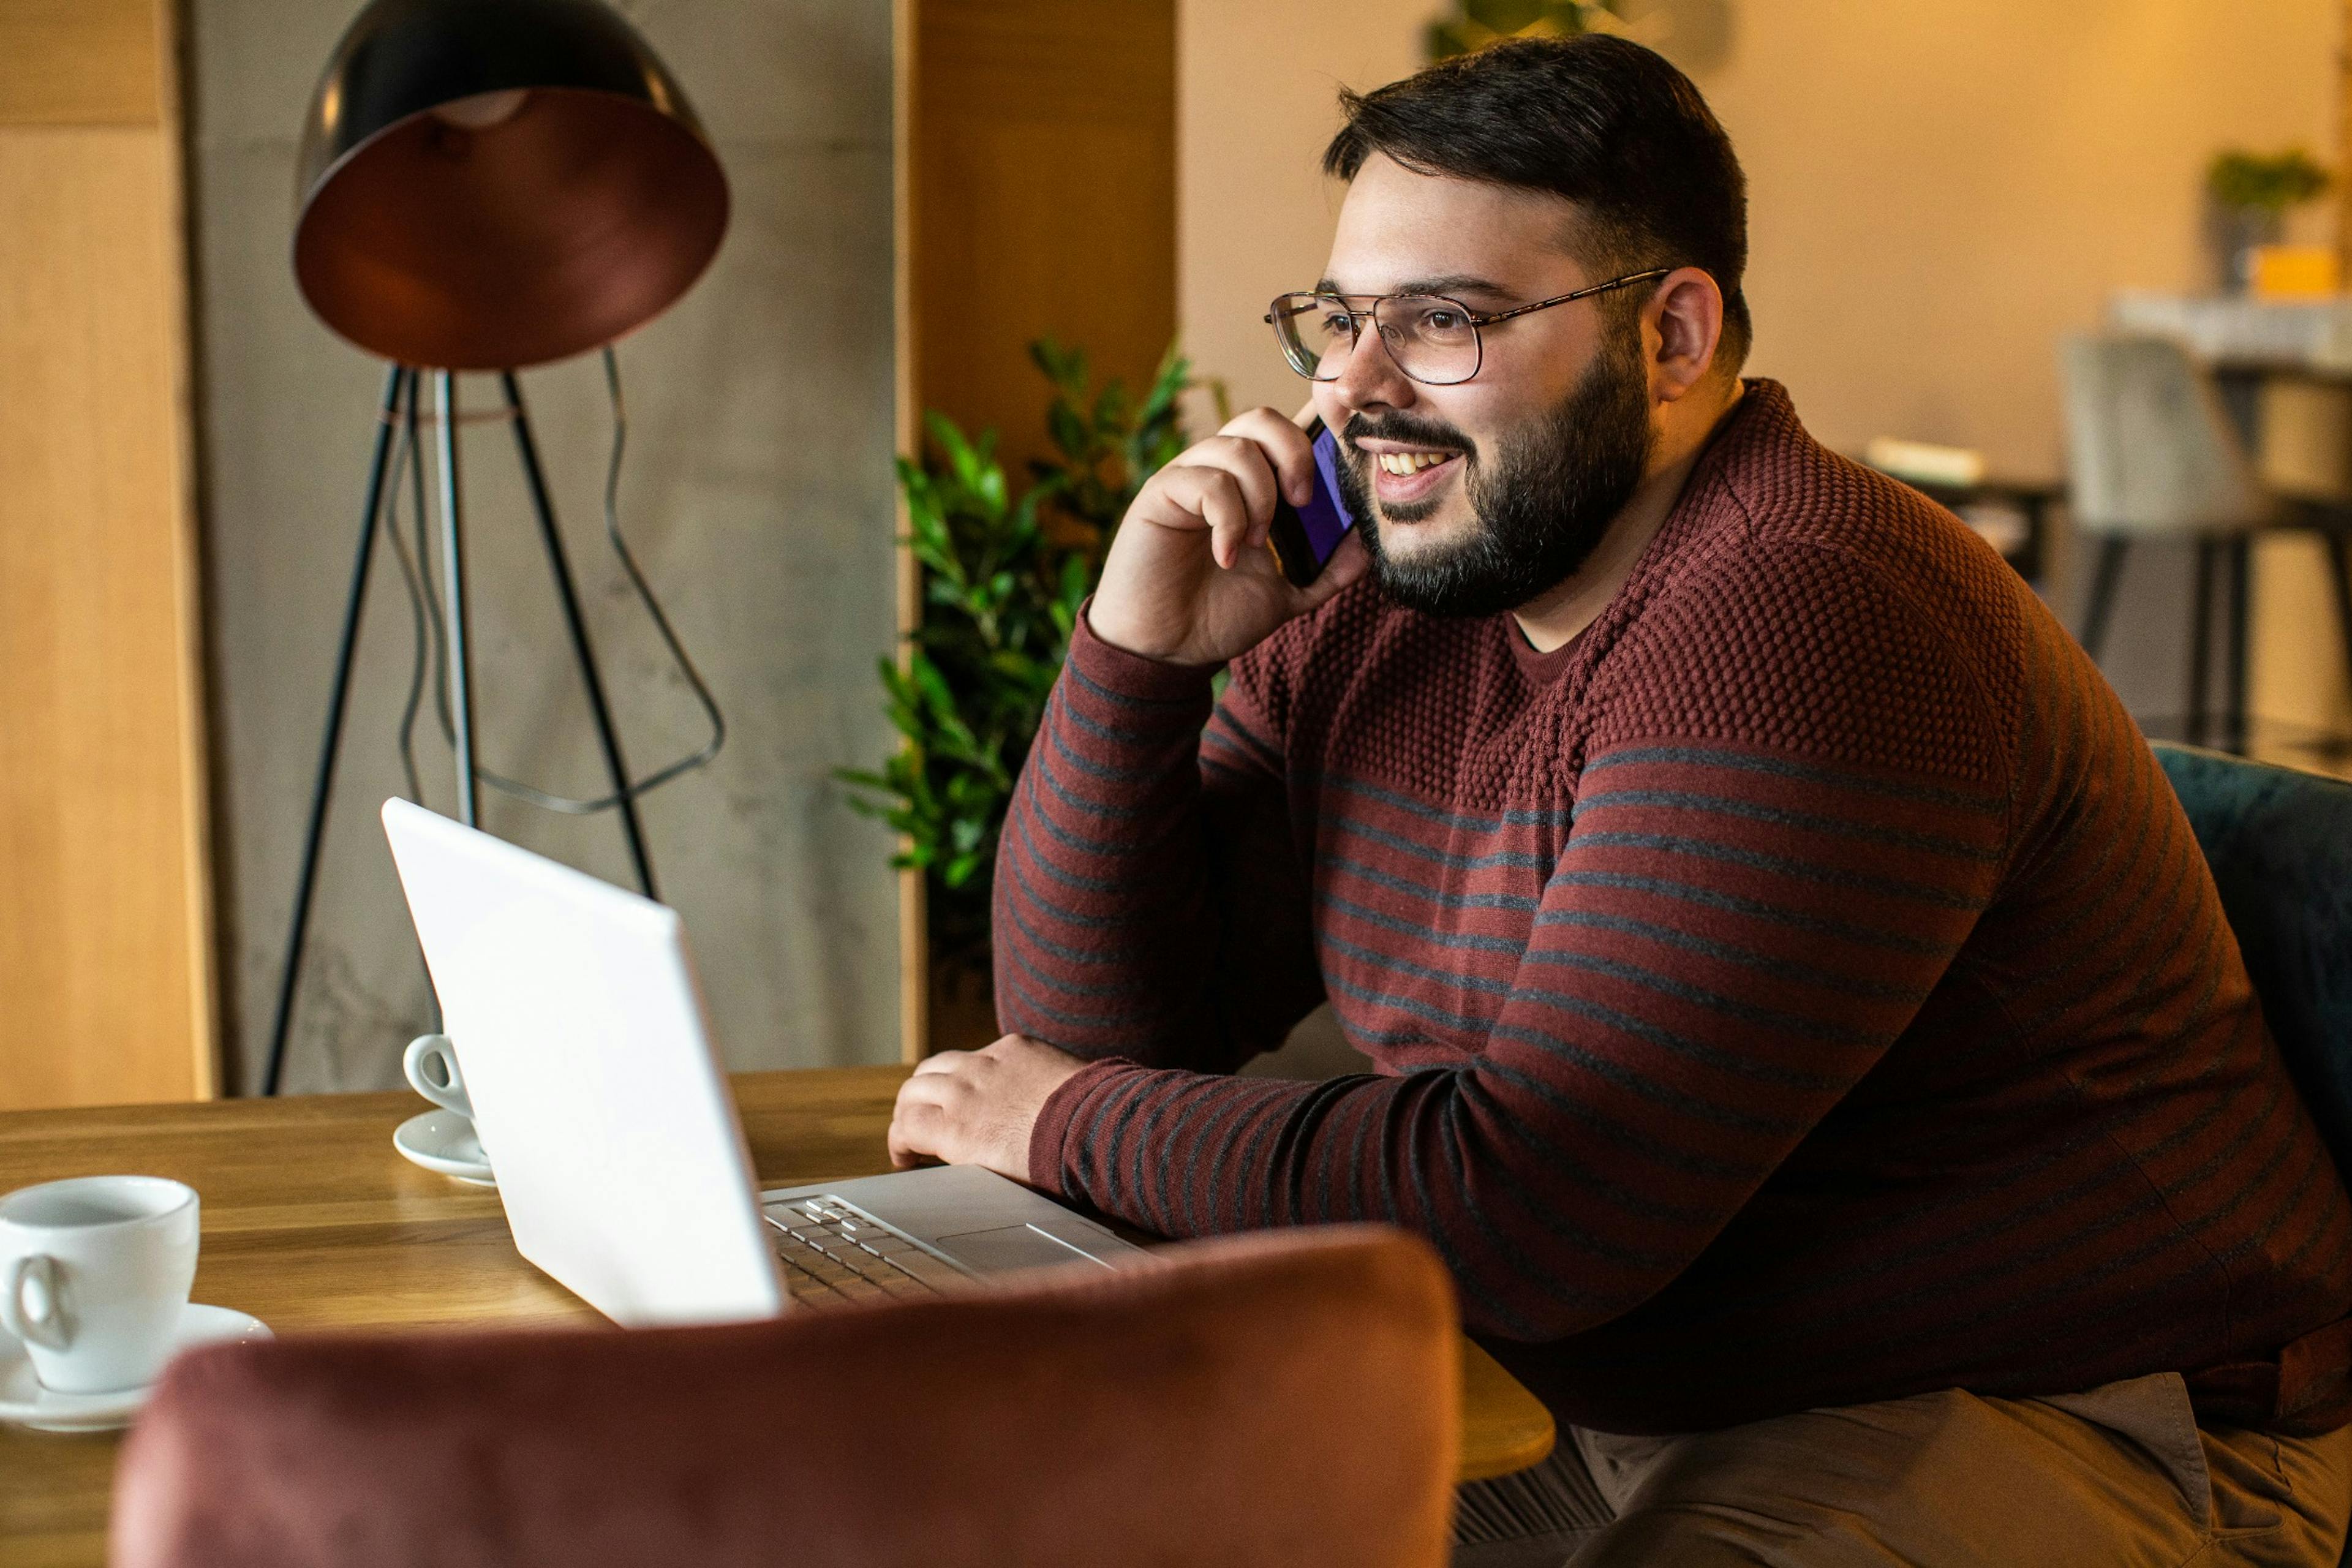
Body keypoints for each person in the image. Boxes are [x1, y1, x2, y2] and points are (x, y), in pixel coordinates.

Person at [886, 34, 2352, 1566]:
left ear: (1671, 334)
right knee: (1037, 1506)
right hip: (1607, 1387)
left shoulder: (1807, 611)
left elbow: (1531, 1215)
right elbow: (1099, 1039)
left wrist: (1062, 1118)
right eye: (1340, 321)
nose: (1355, 392)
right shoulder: (1387, 588)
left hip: (2073, 1418)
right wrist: (1135, 663)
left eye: (1441, 322)